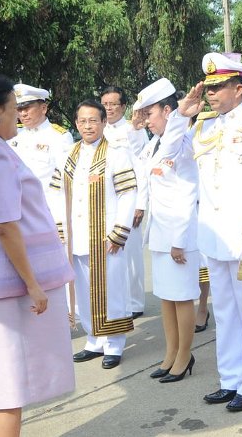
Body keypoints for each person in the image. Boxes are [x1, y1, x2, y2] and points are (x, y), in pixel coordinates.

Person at [158, 52, 242, 411]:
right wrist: (179, 117)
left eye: (218, 87)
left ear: (239, 87)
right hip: (214, 239)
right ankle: (230, 378)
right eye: (209, 87)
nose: (211, 93)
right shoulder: (202, 125)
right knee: (227, 316)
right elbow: (169, 154)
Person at [0, 73, 75, 437]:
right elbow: (5, 226)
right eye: (13, 107)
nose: (18, 115)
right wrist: (33, 284)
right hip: (4, 289)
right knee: (5, 383)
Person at [51, 99, 137, 369]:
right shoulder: (68, 154)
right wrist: (59, 227)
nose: (87, 125)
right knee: (83, 291)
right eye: (82, 121)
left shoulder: (116, 153)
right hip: (75, 237)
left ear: (103, 122)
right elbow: (55, 193)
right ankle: (94, 340)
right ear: (76, 124)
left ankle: (114, 344)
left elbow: (128, 193)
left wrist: (119, 232)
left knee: (111, 291)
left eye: (93, 120)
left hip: (105, 237)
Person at [134, 78, 199, 383]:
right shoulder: (151, 146)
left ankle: (185, 355)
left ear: (168, 111)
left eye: (150, 114)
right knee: (166, 297)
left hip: (178, 236)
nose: (146, 120)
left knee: (182, 297)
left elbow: (187, 194)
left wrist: (179, 240)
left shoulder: (181, 144)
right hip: (159, 235)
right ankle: (171, 352)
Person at [101, 86, 148, 319]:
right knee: (112, 253)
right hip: (107, 202)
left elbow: (141, 167)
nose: (108, 108)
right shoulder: (98, 129)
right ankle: (117, 300)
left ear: (123, 106)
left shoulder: (133, 129)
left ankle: (135, 302)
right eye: (105, 104)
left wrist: (141, 204)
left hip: (129, 199)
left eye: (113, 104)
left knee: (131, 255)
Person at [8, 83, 73, 231]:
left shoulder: (59, 137)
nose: (23, 114)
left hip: (45, 213)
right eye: (19, 109)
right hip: (16, 213)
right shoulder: (12, 136)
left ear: (43, 108)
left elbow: (65, 181)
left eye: (27, 108)